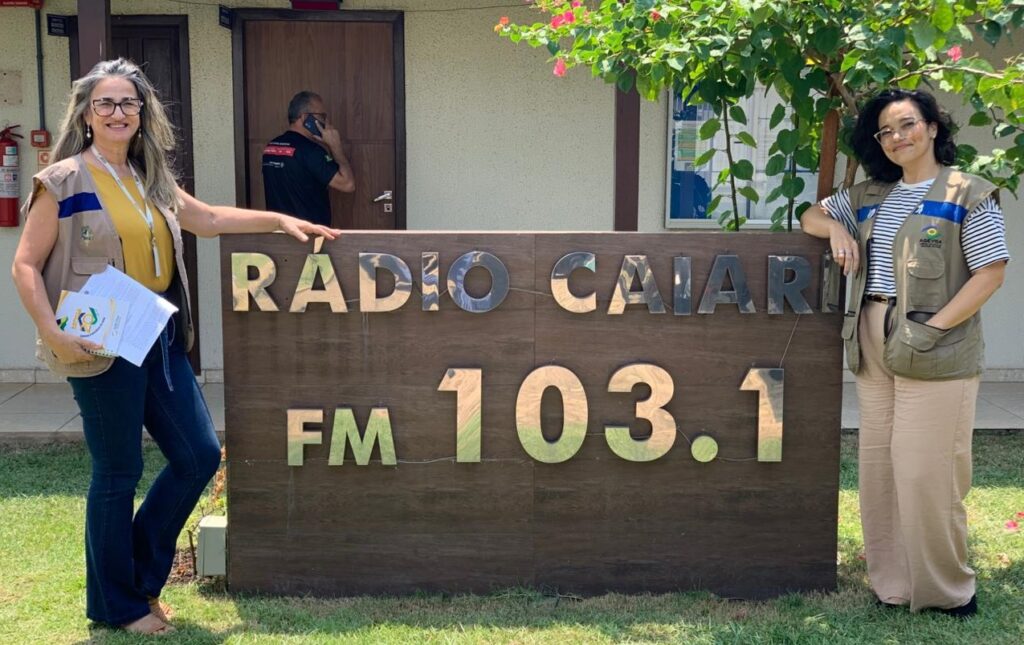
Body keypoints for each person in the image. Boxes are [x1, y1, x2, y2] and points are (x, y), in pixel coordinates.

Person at [10, 59, 340, 635]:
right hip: (101, 336)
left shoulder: (148, 176)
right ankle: (119, 605)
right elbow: (25, 264)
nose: (119, 113)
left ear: (143, 114)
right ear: (87, 114)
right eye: (107, 104)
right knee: (118, 471)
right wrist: (53, 331)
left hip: (157, 333)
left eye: (129, 104)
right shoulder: (63, 180)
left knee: (198, 456)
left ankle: (137, 580)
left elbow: (207, 218)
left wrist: (282, 218)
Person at [800, 89, 1009, 618]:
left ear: (934, 127)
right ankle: (891, 584)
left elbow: (990, 272)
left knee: (926, 469)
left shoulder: (969, 192)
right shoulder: (870, 193)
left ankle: (946, 590)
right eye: (886, 131)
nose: (898, 137)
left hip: (936, 339)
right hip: (871, 331)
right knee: (879, 467)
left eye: (908, 125)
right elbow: (808, 215)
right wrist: (836, 231)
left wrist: (932, 329)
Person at [262, 90, 355, 225]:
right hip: (309, 236)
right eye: (322, 116)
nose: (326, 121)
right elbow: (348, 184)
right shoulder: (311, 151)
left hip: (279, 233)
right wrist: (336, 147)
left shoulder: (270, 147)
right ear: (306, 118)